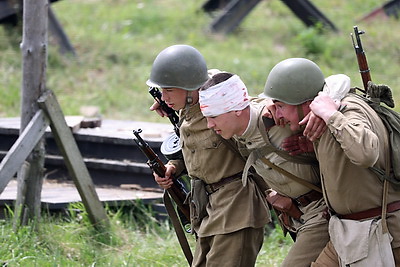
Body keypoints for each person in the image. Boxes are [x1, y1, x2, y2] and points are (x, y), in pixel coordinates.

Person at [263, 57, 400, 266]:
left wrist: (330, 114)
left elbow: (366, 154)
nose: (278, 114)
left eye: (281, 106)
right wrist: (316, 148)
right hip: (350, 233)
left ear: (305, 102)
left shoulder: (346, 110)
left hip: (384, 234)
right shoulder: (322, 118)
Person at [198, 71, 341, 266]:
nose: (209, 124)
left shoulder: (278, 120)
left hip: (322, 212)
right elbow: (213, 77)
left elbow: (339, 80)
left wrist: (321, 111)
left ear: (236, 109)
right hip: (296, 215)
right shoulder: (236, 127)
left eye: (213, 116)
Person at [146, 44, 270, 267]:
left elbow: (252, 113)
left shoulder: (220, 105)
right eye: (162, 91)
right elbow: (194, 146)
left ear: (190, 86)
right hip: (207, 207)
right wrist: (174, 166)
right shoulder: (186, 109)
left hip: (237, 209)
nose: (164, 98)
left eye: (169, 90)